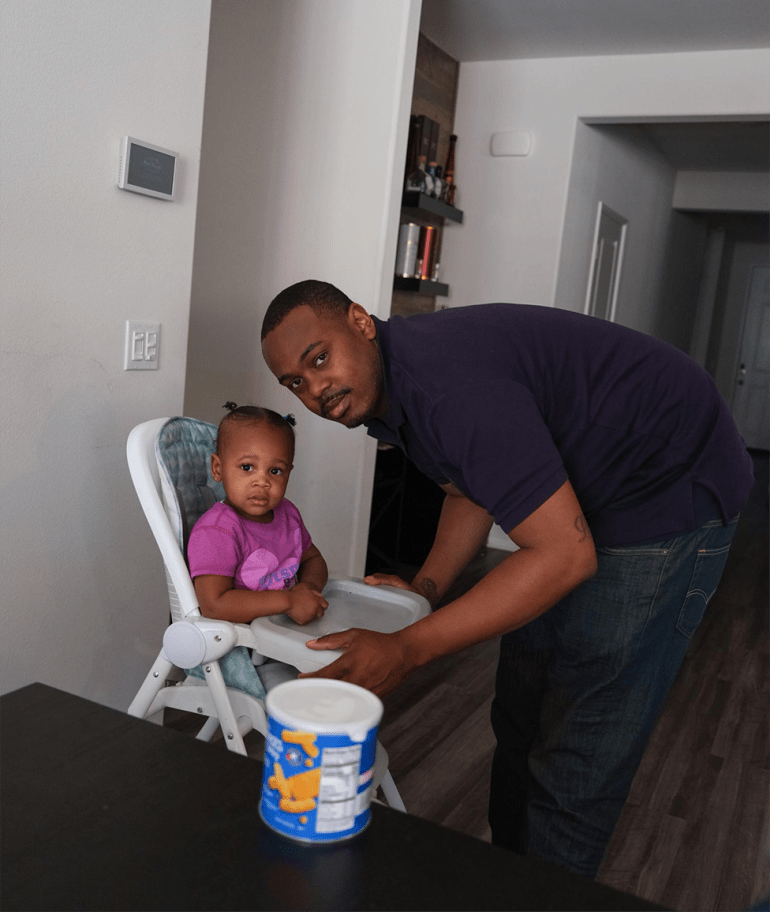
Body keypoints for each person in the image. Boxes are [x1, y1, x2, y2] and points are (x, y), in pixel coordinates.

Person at [259, 280, 753, 879]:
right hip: (589, 494)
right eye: (295, 383)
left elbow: (565, 557)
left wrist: (408, 647)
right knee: (521, 716)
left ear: (361, 322)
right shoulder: (390, 390)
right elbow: (468, 488)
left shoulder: (449, 390)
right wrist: (427, 590)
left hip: (667, 486)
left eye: (319, 359)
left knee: (579, 752)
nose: (315, 390)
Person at [189, 403, 329, 627]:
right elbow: (214, 605)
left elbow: (313, 559)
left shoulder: (288, 514)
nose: (262, 481)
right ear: (218, 468)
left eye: (275, 471)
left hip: (283, 628)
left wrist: (307, 588)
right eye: (247, 467)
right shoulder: (217, 530)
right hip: (243, 639)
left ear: (288, 473)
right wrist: (288, 601)